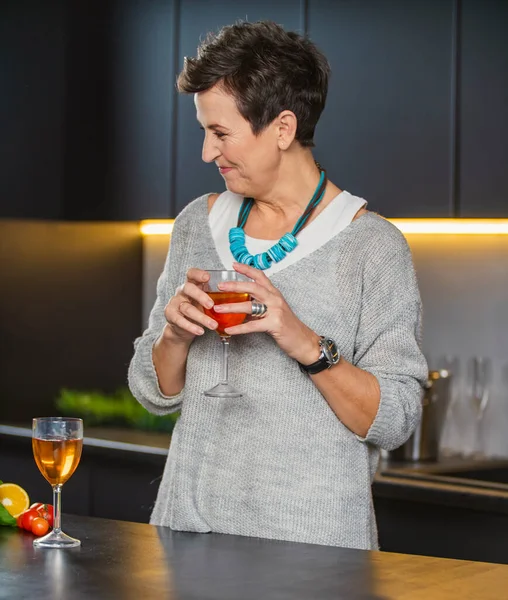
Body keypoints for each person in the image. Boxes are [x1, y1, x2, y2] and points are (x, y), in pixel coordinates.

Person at [128, 20, 428, 550]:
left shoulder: (372, 246)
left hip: (313, 546)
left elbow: (396, 419)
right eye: (204, 131)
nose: (205, 152)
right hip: (187, 529)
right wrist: (174, 336)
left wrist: (304, 342)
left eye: (220, 133)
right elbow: (152, 393)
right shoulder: (197, 224)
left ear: (283, 128)